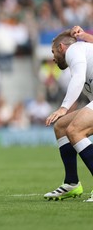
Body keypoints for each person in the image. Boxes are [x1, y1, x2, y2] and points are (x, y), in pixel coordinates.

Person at [44, 25, 93, 202]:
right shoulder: (85, 50)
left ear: (61, 48)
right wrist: (85, 35)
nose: (53, 58)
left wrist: (64, 108)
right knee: (62, 126)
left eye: (53, 52)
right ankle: (72, 182)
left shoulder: (74, 50)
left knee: (75, 130)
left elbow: (78, 78)